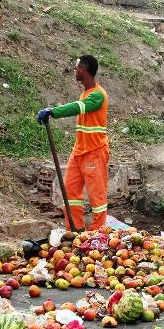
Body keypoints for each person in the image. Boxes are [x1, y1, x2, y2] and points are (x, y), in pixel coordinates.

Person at [37, 55, 110, 232]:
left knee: (96, 199)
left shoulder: (97, 95)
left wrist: (52, 111)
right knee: (70, 192)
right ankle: (76, 232)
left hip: (94, 152)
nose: (74, 70)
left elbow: (78, 107)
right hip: (79, 152)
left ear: (84, 70)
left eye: (76, 67)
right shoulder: (85, 93)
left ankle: (97, 235)